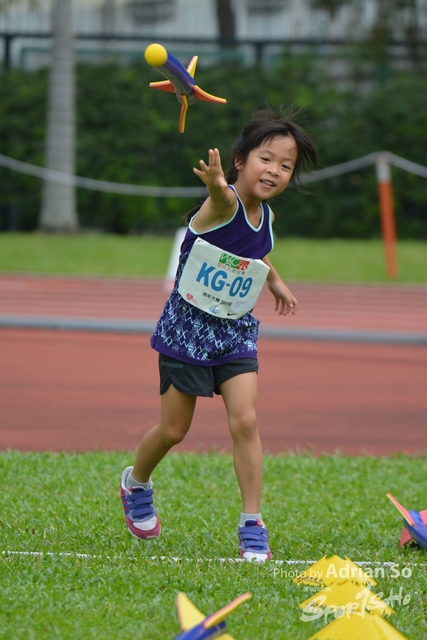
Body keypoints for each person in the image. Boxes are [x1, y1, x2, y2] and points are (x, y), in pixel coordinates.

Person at [120, 108, 318, 562]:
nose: (275, 171)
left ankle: (252, 522)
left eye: (286, 166)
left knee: (246, 421)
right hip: (187, 331)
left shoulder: (264, 216)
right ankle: (136, 482)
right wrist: (214, 183)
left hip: (235, 330)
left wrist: (274, 280)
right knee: (173, 430)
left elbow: (256, 252)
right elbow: (222, 201)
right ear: (240, 160)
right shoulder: (224, 201)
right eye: (266, 159)